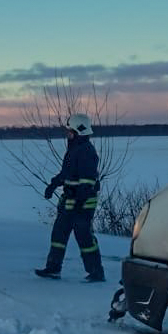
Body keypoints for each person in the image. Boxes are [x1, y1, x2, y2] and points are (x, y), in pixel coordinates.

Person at [35, 113, 105, 282]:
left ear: (78, 131)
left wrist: (80, 200)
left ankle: (96, 272)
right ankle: (53, 269)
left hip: (83, 203)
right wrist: (53, 185)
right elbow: (67, 173)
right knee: (59, 234)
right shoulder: (74, 150)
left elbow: (87, 180)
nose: (68, 134)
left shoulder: (86, 151)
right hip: (70, 201)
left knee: (84, 236)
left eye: (70, 131)